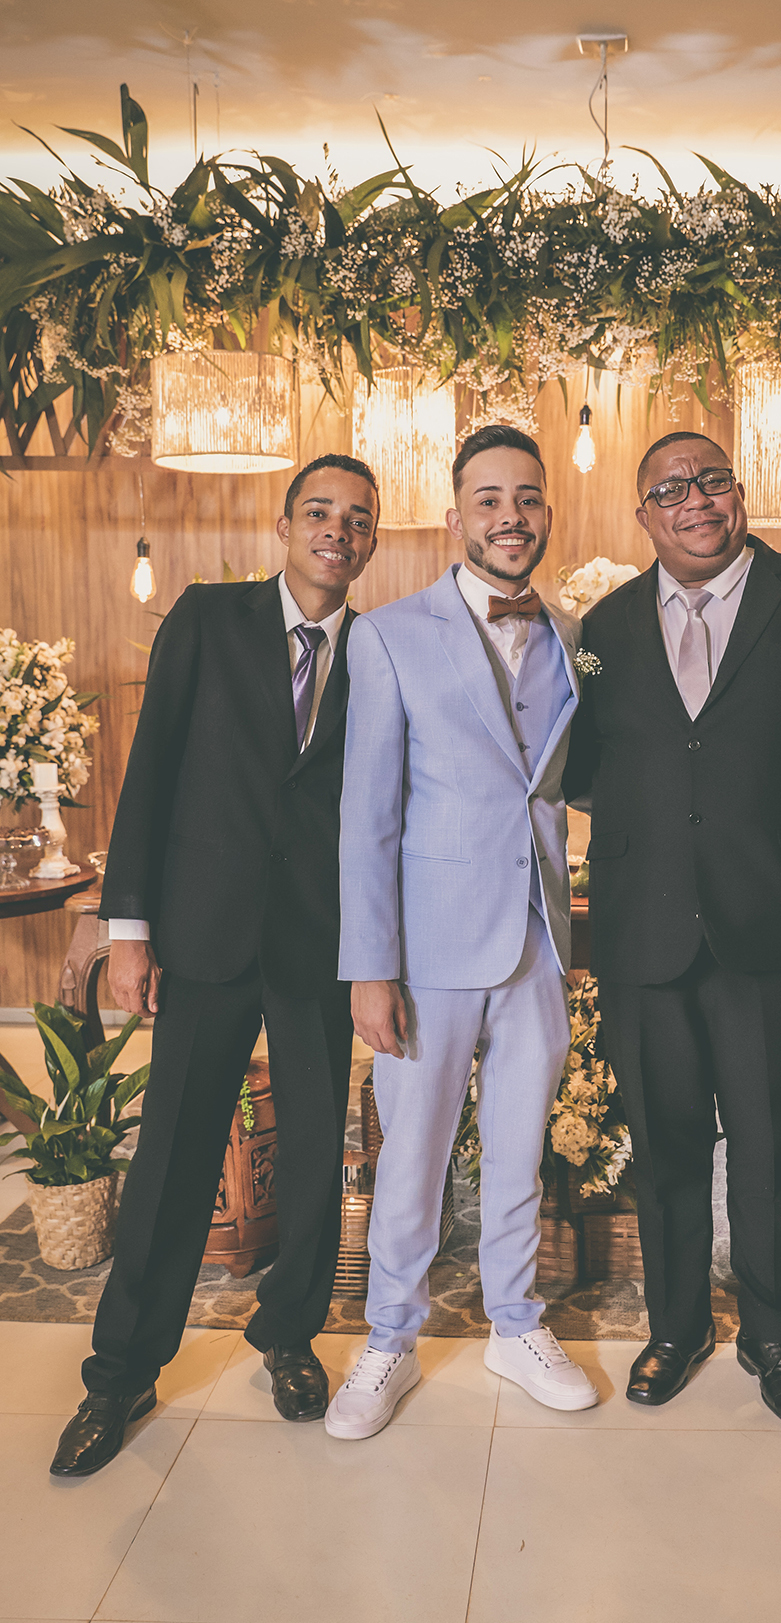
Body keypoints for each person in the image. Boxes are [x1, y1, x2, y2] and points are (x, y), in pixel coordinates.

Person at [50, 454, 381, 1477]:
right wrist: (129, 927)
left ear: (371, 542)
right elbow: (150, 768)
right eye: (319, 511)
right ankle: (121, 1371)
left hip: (320, 942)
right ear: (284, 526)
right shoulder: (206, 617)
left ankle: (288, 1335)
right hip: (205, 931)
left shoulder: (381, 652)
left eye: (356, 518)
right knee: (174, 1155)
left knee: (316, 1150)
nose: (337, 530)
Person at [562, 431, 781, 1424]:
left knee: (769, 1148)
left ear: (740, 493)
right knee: (663, 1150)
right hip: (646, 934)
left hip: (780, 932)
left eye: (712, 481)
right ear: (644, 515)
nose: (696, 501)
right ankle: (675, 1329)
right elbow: (583, 765)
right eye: (671, 489)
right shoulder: (604, 627)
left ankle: (772, 1336)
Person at [326, 423, 597, 1439]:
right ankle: (389, 1338)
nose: (509, 516)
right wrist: (370, 968)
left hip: (537, 938)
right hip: (429, 947)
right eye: (489, 499)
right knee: (414, 1156)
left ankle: (514, 1324)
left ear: (547, 512)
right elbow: (367, 815)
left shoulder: (574, 633)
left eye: (526, 498)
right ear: (454, 518)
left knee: (520, 1150)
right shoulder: (390, 634)